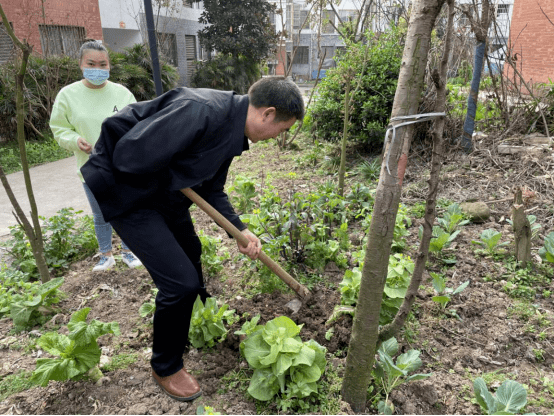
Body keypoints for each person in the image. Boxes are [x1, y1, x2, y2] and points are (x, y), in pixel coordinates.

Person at [81, 77, 304, 402]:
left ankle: (190, 318)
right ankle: (166, 366)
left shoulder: (233, 129)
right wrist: (173, 169)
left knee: (191, 251)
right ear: (268, 114)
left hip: (162, 193)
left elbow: (211, 189)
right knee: (180, 283)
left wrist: (238, 231)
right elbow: (129, 154)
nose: (278, 138)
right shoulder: (200, 111)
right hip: (127, 191)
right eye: (283, 130)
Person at [50, 41, 142, 272]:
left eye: (103, 64)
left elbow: (137, 124)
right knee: (100, 213)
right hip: (90, 167)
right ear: (81, 64)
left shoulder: (122, 93)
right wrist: (75, 141)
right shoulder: (68, 95)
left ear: (109, 66)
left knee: (126, 208)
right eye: (91, 63)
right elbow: (59, 128)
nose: (97, 68)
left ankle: (129, 252)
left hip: (122, 166)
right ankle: (106, 255)